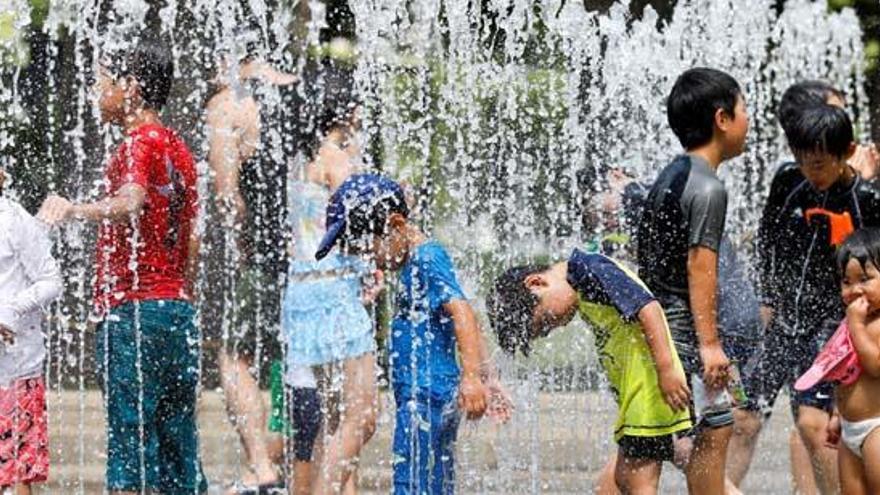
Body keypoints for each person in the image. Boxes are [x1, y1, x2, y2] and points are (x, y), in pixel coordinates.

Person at [37, 37, 205, 494]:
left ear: (130, 87)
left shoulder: (136, 144)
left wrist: (74, 209)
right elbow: (193, 240)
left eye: (103, 83)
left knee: (130, 444)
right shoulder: (179, 148)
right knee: (179, 449)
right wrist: (174, 296)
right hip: (176, 312)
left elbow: (131, 201)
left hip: (131, 312)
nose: (96, 92)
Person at [314, 173, 510, 495]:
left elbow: (462, 312)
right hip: (426, 394)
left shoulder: (425, 259)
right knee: (434, 481)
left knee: (412, 482)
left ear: (396, 223)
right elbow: (464, 314)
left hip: (426, 397)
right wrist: (487, 375)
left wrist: (473, 378)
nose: (368, 258)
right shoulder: (419, 261)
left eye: (369, 247)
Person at [734, 98, 880, 495]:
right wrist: (764, 299)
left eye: (818, 164)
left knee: (814, 425)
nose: (809, 172)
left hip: (830, 327)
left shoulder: (866, 199)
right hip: (782, 320)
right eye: (802, 161)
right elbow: (765, 241)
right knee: (743, 418)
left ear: (847, 153)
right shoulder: (788, 181)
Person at [487, 251, 691, 494]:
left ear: (537, 282)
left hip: (649, 395)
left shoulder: (589, 269)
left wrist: (666, 371)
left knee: (640, 485)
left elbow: (648, 307)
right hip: (638, 398)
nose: (555, 327)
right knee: (622, 480)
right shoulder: (582, 283)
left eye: (545, 321)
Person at [636, 67, 749, 494]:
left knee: (652, 442)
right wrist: (710, 344)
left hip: (662, 329)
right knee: (714, 427)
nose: (748, 119)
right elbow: (700, 265)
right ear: (722, 119)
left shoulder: (672, 174)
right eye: (743, 108)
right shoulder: (707, 187)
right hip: (684, 332)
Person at [203, 37, 298, 494]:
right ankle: (279, 466)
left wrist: (238, 231)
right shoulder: (302, 91)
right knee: (290, 361)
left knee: (235, 356)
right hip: (315, 262)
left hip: (263, 256)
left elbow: (226, 191)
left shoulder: (229, 104)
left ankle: (261, 467)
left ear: (231, 57)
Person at [281, 64, 376, 495]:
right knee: (363, 413)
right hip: (335, 293)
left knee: (334, 417)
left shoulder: (302, 161)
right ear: (349, 111)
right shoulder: (339, 158)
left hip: (303, 292)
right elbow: (359, 220)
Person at [0, 164, 62, 495]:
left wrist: (9, 310)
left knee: (14, 474)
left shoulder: (13, 220)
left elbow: (51, 282)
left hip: (13, 369)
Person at [803, 228, 880, 494]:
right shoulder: (851, 322)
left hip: (877, 430)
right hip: (849, 429)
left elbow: (875, 365)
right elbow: (848, 372)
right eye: (846, 281)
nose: (854, 289)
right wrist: (837, 413)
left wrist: (856, 325)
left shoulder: (869, 324)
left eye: (865, 279)